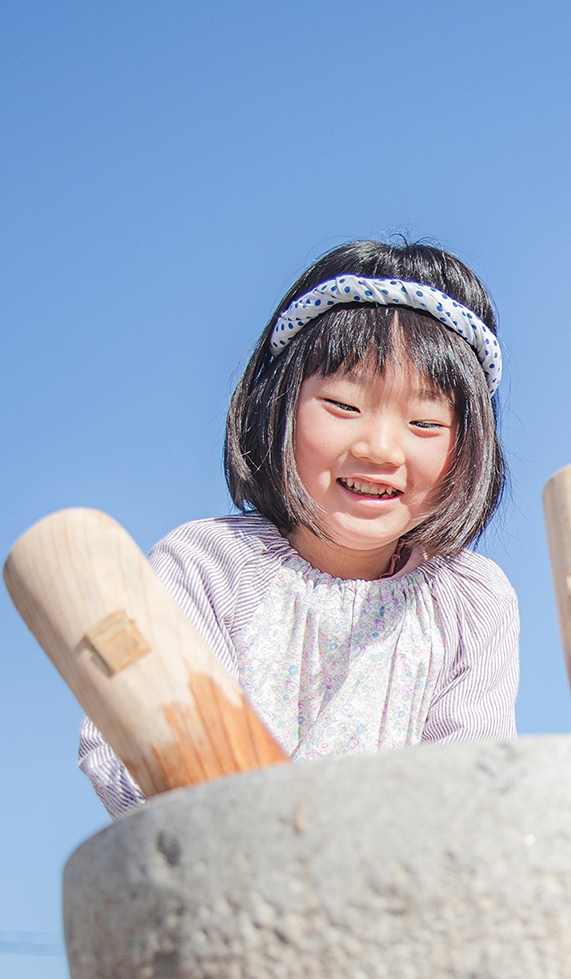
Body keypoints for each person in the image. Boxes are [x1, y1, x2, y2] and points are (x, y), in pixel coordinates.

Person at [78, 237, 519, 818]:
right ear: (279, 406)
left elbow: (474, 787)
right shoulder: (209, 565)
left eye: (425, 422)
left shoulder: (470, 601)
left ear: (470, 446)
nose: (381, 448)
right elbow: (132, 742)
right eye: (343, 405)